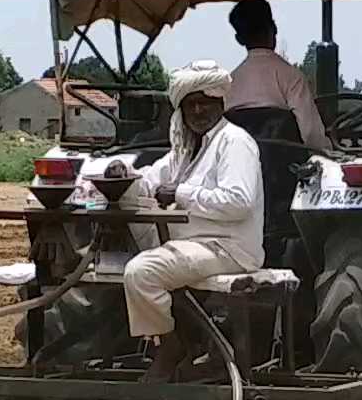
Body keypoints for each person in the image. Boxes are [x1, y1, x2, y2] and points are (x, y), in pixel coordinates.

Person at [113, 61, 264, 381]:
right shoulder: (186, 149)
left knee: (141, 271)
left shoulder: (235, 143)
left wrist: (182, 193)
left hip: (227, 248)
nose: (197, 111)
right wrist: (123, 177)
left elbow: (239, 202)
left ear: (220, 104)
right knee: (111, 261)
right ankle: (178, 337)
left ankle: (172, 346)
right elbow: (152, 182)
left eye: (204, 103)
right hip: (193, 245)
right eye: (190, 104)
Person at [222, 0, 334, 153]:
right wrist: (328, 150)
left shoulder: (228, 84)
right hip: (284, 170)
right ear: (274, 28)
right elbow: (310, 134)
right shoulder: (292, 77)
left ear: (239, 39)